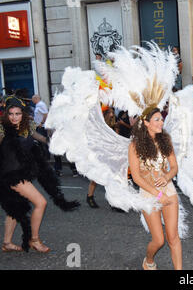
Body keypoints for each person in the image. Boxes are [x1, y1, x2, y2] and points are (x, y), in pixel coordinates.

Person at [0, 96, 79, 252]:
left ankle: (7, 243)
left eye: (17, 113)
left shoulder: (27, 126)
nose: (14, 117)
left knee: (16, 209)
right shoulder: (2, 128)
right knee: (41, 202)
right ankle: (34, 240)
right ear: (6, 114)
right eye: (11, 114)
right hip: (11, 175)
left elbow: (40, 138)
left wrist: (54, 142)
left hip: (22, 172)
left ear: (23, 113)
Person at [128, 106, 181, 270]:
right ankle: (149, 260)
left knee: (173, 237)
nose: (161, 122)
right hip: (148, 194)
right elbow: (136, 177)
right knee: (159, 240)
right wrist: (158, 195)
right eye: (157, 119)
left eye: (162, 119)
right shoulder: (135, 146)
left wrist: (166, 177)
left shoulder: (165, 140)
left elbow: (174, 167)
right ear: (146, 123)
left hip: (169, 191)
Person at [87, 107, 119, 209]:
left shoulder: (115, 125)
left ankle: (113, 201)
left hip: (111, 154)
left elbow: (117, 139)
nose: (112, 114)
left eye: (113, 112)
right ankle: (90, 196)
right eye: (110, 112)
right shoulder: (99, 125)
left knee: (111, 178)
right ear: (104, 114)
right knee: (96, 177)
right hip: (99, 153)